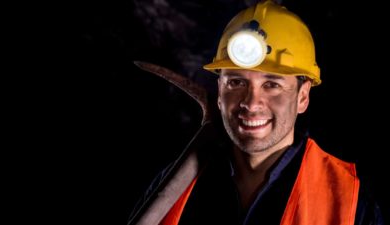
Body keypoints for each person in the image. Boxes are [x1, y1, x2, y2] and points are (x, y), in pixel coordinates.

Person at [128, 0, 384, 224]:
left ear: (302, 96)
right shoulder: (174, 185)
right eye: (236, 82)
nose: (251, 103)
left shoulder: (350, 201)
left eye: (272, 85)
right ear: (219, 91)